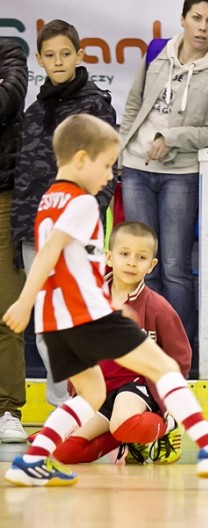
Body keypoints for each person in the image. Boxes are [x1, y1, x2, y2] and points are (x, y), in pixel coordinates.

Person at [2, 114, 208, 486]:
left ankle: (33, 459)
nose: (110, 176)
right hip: (86, 317)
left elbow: (63, 260)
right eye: (107, 165)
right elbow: (50, 255)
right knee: (164, 369)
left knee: (90, 394)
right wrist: (24, 301)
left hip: (60, 320)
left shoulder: (49, 199)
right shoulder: (81, 203)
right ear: (81, 160)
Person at [12, 20, 118, 411]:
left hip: (75, 234)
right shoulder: (35, 110)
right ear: (39, 60)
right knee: (46, 326)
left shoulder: (94, 105)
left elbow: (107, 167)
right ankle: (63, 410)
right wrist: (20, 227)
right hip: (34, 233)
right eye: (50, 55)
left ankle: (91, 406)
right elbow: (25, 171)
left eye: (65, 53)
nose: (58, 61)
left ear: (80, 54)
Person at [119, 0, 208, 347]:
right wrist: (123, 146)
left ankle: (180, 349)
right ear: (183, 20)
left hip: (181, 173)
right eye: (196, 18)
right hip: (136, 168)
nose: (202, 27)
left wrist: (171, 138)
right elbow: (133, 103)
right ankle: (145, 346)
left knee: (174, 267)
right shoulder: (157, 53)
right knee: (142, 266)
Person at [52, 221, 190, 465]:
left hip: (136, 387)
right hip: (100, 391)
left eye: (141, 257)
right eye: (124, 254)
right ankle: (126, 441)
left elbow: (180, 357)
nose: (131, 262)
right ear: (109, 257)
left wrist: (168, 403)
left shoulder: (158, 307)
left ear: (151, 265)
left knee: (125, 422)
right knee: (64, 453)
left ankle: (168, 425)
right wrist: (77, 392)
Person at [0, 39, 27, 444]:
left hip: (3, 200)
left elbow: (7, 102)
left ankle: (7, 410)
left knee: (8, 310)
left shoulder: (11, 50)